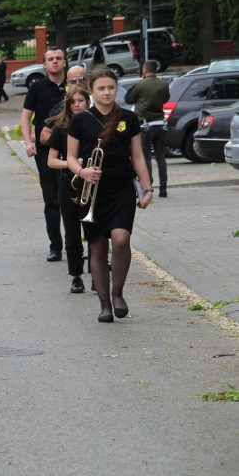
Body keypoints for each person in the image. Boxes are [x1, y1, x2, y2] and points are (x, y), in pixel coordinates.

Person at [67, 66, 153, 323]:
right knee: (96, 246)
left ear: (117, 89)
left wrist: (148, 188)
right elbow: (70, 157)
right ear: (91, 91)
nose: (107, 92)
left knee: (120, 239)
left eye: (111, 87)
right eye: (101, 88)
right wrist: (82, 171)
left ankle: (118, 294)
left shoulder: (128, 117)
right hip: (91, 191)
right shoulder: (80, 119)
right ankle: (104, 305)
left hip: (121, 189)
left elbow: (137, 156)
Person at [21, 47, 67, 262]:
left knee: (72, 198)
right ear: (45, 64)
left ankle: (76, 242)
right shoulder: (37, 87)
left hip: (72, 151)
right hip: (45, 150)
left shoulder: (73, 87)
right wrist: (28, 142)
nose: (55, 62)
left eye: (59, 58)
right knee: (51, 199)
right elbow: (25, 117)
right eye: (51, 59)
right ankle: (55, 245)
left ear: (65, 62)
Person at [46, 87, 90, 293]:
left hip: (93, 184)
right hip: (69, 184)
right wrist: (72, 164)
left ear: (88, 102)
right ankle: (76, 276)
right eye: (73, 102)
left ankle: (97, 271)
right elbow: (51, 161)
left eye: (81, 100)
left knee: (94, 231)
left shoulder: (96, 127)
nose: (77, 104)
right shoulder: (61, 129)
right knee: (72, 233)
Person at [124, 60, 170, 198]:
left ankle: (148, 187)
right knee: (161, 157)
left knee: (145, 158)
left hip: (144, 124)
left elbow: (128, 99)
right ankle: (163, 189)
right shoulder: (164, 84)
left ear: (144, 71)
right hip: (160, 124)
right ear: (155, 70)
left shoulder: (139, 84)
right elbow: (166, 99)